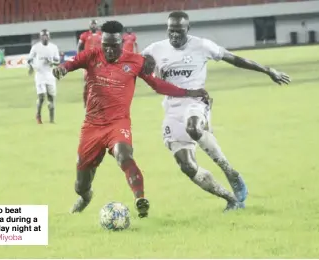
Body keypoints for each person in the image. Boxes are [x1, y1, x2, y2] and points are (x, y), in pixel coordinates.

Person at [53, 20, 210, 218]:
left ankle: (140, 200)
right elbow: (70, 63)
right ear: (102, 42)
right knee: (80, 185)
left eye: (114, 46)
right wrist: (61, 69)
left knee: (124, 154)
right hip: (92, 126)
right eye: (106, 45)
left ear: (122, 42)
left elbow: (157, 85)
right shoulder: (91, 55)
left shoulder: (135, 62)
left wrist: (189, 91)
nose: (109, 50)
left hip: (118, 123)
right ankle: (85, 197)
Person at [141, 11, 291, 211]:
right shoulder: (155, 49)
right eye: (171, 31)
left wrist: (267, 70)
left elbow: (234, 59)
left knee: (193, 127)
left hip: (196, 101)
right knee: (187, 166)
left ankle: (230, 172)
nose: (174, 35)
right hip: (171, 108)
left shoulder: (202, 45)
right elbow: (129, 65)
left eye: (179, 31)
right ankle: (231, 200)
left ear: (188, 29)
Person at [27, 29, 60, 124]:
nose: (45, 37)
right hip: (40, 75)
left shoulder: (54, 47)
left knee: (51, 98)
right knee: (41, 97)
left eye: (46, 35)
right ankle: (38, 115)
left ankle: (52, 120)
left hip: (50, 76)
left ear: (49, 37)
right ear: (40, 37)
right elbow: (29, 59)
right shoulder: (36, 47)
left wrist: (52, 62)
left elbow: (57, 61)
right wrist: (31, 67)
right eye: (43, 36)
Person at [77, 19, 102, 108]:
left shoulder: (101, 35)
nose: (93, 26)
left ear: (97, 25)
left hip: (99, 63)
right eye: (92, 24)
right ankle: (85, 102)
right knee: (87, 83)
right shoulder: (84, 35)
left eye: (95, 24)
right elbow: (79, 47)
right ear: (89, 26)